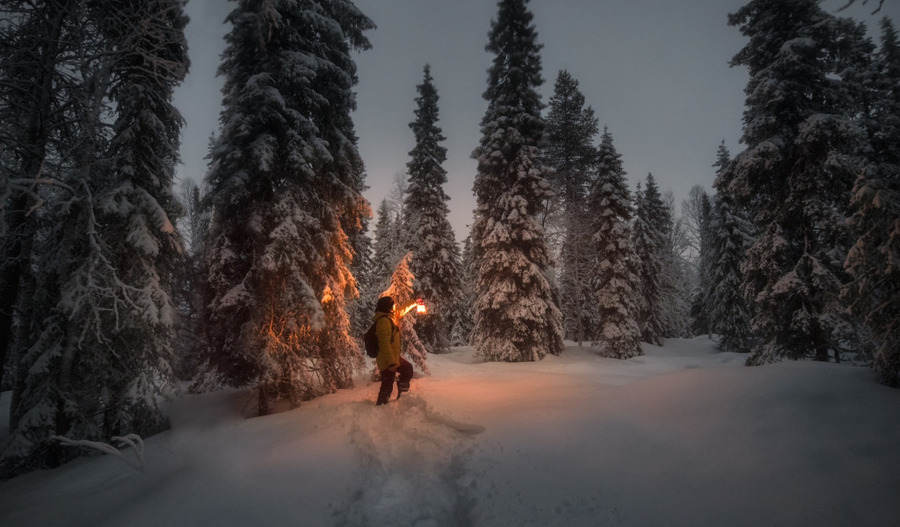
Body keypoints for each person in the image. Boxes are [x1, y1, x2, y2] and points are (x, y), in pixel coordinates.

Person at [373, 295, 416, 405]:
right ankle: (380, 407)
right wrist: (391, 363)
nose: (394, 306)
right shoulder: (383, 322)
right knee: (387, 386)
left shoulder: (391, 317)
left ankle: (402, 394)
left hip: (393, 358)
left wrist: (414, 302)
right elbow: (384, 345)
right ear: (387, 307)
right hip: (387, 360)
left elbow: (401, 310)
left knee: (407, 369)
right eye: (392, 305)